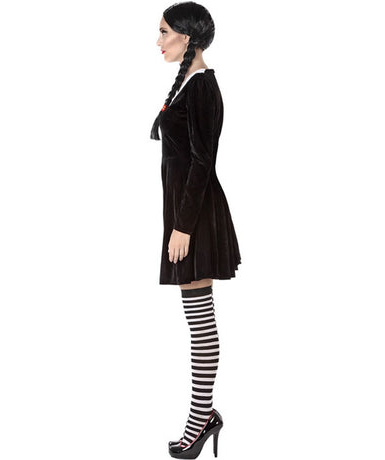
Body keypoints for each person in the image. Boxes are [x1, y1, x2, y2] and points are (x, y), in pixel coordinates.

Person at [150, 2, 241, 458]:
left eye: (164, 32)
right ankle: (203, 416)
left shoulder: (203, 86)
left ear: (186, 37)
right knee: (196, 318)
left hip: (196, 215)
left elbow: (204, 161)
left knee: (200, 321)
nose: (158, 41)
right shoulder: (188, 83)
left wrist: (183, 227)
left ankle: (200, 418)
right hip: (186, 213)